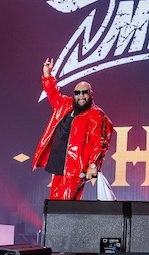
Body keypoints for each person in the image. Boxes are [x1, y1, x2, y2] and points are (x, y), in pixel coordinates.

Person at [33, 57, 113, 200]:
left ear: (91, 94)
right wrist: (47, 75)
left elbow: (98, 143)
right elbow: (53, 93)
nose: (81, 96)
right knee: (54, 202)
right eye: (77, 93)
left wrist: (93, 165)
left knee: (65, 201)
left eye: (85, 92)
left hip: (76, 166)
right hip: (59, 163)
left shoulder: (95, 114)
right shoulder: (65, 104)